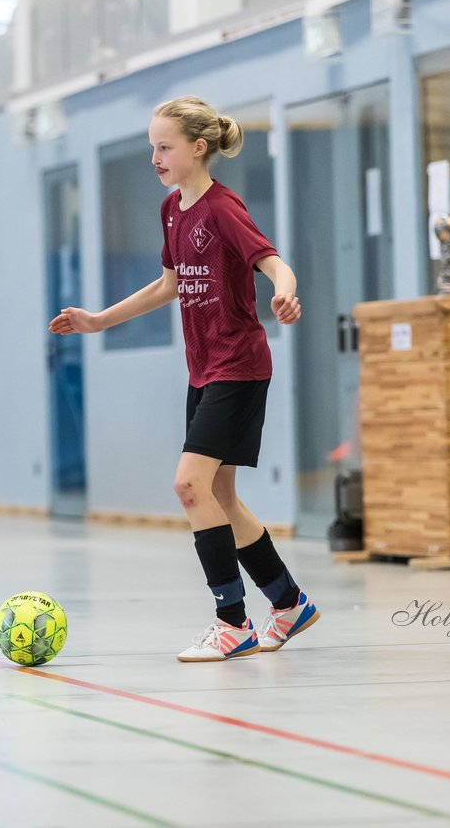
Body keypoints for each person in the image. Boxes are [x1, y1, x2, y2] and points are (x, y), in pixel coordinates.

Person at [48, 96, 318, 662]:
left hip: (239, 367)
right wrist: (99, 321)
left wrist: (285, 290)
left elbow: (272, 262)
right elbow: (168, 284)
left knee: (189, 485)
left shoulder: (222, 208)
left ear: (199, 148)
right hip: (204, 371)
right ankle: (289, 603)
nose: (155, 157)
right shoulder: (173, 210)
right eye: (151, 147)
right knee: (219, 494)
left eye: (164, 147)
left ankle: (232, 622)